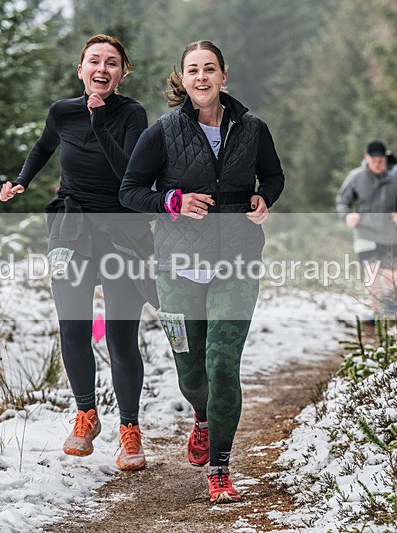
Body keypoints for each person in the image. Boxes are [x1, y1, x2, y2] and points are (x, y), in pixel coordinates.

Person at [120, 40, 285, 503]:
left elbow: (273, 177)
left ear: (223, 76)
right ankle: (203, 416)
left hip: (237, 262)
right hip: (177, 267)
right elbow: (130, 191)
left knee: (222, 364)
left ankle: (220, 469)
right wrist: (171, 202)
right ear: (183, 78)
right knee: (192, 374)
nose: (202, 77)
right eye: (193, 69)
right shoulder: (164, 131)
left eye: (209, 68)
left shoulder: (252, 129)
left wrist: (263, 198)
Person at [0, 34, 152, 471]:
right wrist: (24, 179)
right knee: (73, 324)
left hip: (122, 229)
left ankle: (130, 430)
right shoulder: (62, 112)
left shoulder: (132, 114)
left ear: (122, 73)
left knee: (121, 336)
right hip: (70, 227)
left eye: (112, 63)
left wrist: (101, 122)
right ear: (80, 69)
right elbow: (44, 145)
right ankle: (85, 414)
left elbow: (131, 171)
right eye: (94, 61)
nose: (102, 69)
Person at [337, 140, 397, 321]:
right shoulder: (356, 177)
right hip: (364, 233)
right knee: (371, 272)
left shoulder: (396, 177)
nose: (378, 164)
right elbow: (342, 201)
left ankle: (390, 306)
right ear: (366, 157)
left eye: (382, 160)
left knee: (390, 275)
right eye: (375, 160)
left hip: (389, 234)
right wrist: (347, 216)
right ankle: (375, 311)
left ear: (386, 158)